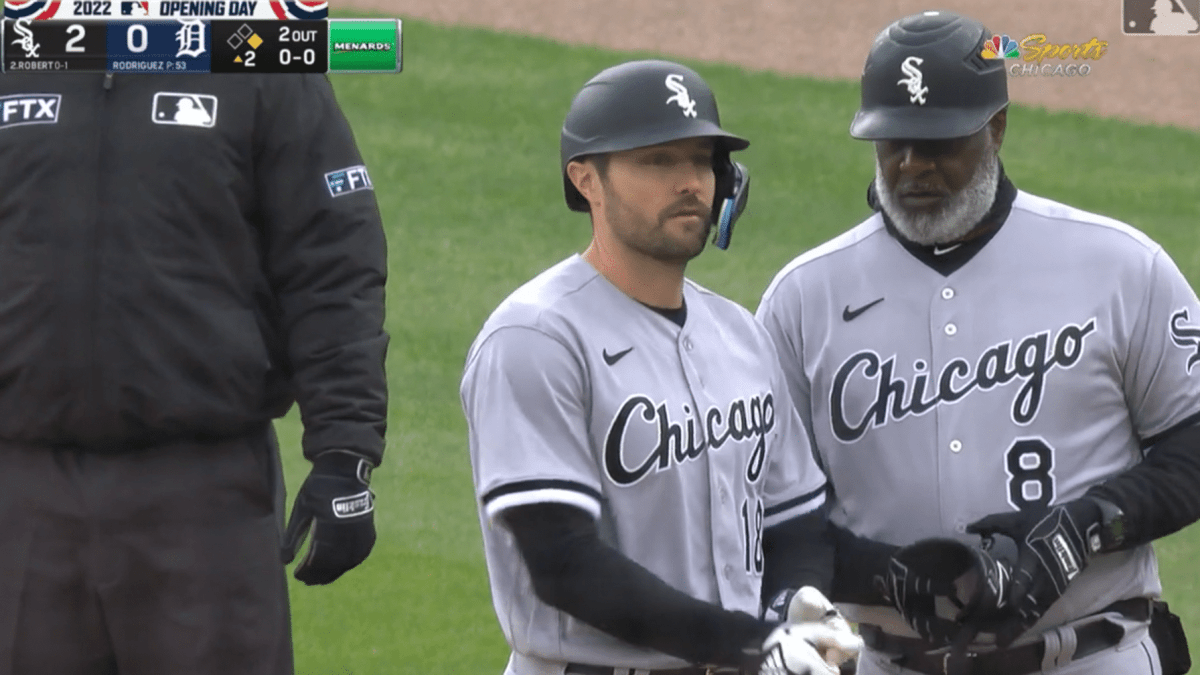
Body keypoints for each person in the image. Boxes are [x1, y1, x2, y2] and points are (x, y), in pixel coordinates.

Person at [756, 9, 1199, 675]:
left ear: (996, 128)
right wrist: (886, 575)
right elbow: (755, 511)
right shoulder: (802, 297)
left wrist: (1085, 526)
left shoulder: (1119, 265)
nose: (912, 166)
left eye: (937, 143)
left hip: (1091, 657)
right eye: (893, 142)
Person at [460, 59, 861, 675]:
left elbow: (797, 521)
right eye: (657, 161)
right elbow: (564, 564)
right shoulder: (535, 338)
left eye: (701, 160)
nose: (690, 182)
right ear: (586, 179)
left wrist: (790, 609)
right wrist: (750, 644)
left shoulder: (739, 334)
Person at [0, 72, 389, 674]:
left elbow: (333, 263)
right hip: (23, 494)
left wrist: (345, 453)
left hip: (203, 499)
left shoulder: (257, 61)